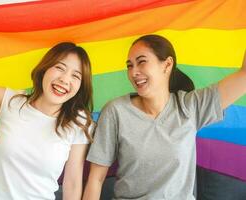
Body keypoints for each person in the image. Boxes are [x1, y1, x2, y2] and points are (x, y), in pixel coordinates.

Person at [82, 34, 246, 200]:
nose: (133, 72)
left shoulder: (190, 107)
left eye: (141, 62)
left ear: (167, 65)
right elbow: (96, 179)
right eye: (130, 66)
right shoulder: (115, 111)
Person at [0, 42, 94, 200]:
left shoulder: (78, 121)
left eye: (76, 76)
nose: (65, 79)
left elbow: (72, 183)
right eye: (60, 68)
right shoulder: (11, 102)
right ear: (45, 68)